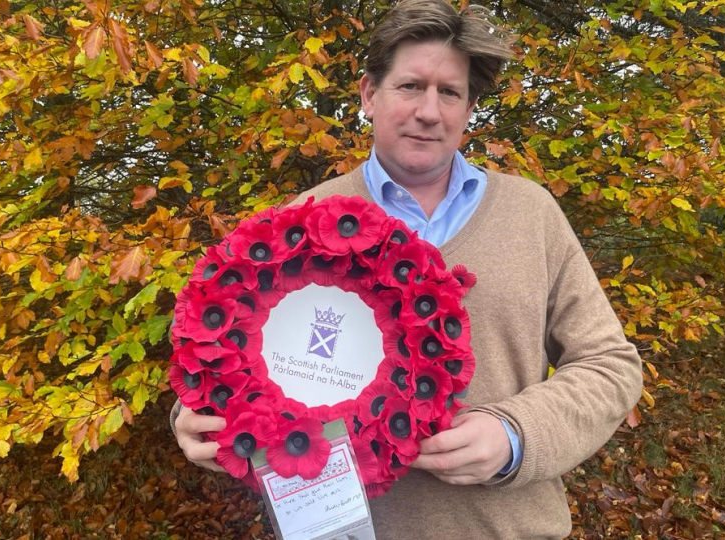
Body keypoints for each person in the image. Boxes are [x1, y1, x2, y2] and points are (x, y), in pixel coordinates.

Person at [171, 1, 643, 538]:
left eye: (450, 92)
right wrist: (193, 416)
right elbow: (214, 350)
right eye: (410, 86)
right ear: (370, 94)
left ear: (469, 108)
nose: (429, 111)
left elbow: (609, 365)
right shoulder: (300, 224)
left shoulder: (531, 215)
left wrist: (516, 435)